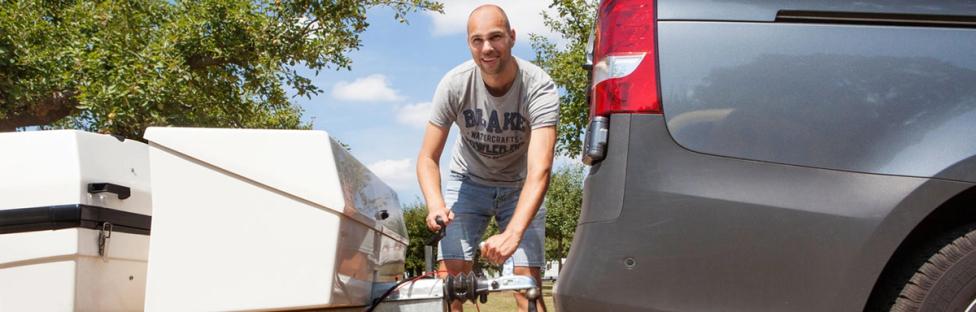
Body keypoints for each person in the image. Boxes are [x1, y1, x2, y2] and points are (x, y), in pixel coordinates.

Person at [415, 4, 559, 312]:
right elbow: (427, 157)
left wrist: (514, 233)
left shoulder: (539, 86)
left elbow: (540, 169)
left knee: (527, 286)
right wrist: (435, 204)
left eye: (495, 37)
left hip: (520, 186)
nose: (487, 47)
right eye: (477, 40)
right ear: (469, 44)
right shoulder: (454, 84)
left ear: (512, 37)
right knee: (451, 283)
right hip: (467, 182)